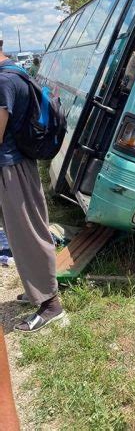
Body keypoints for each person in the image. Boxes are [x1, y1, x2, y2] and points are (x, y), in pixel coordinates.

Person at [0, 40, 64, 332]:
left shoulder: (4, 81)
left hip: (11, 169)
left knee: (28, 234)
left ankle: (51, 304)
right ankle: (37, 289)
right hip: (17, 165)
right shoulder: (16, 72)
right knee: (21, 232)